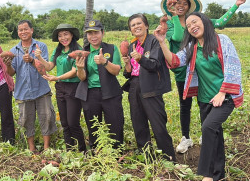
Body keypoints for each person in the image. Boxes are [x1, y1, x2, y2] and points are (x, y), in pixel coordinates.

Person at [154, 12, 243, 181]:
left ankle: (207, 175)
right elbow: (175, 61)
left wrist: (223, 92)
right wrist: (162, 42)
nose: (192, 26)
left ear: (204, 21)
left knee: (208, 128)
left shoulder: (221, 40)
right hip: (205, 99)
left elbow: (234, 65)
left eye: (195, 21)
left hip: (225, 97)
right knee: (214, 135)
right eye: (188, 25)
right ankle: (220, 179)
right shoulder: (192, 47)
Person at [160, 0, 246, 153]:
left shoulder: (199, 22)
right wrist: (172, 18)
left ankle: (205, 133)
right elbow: (178, 37)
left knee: (205, 103)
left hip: (202, 69)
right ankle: (186, 137)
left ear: (189, 8)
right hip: (183, 71)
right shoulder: (171, 25)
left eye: (185, 4)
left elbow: (221, 22)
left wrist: (236, 5)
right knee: (185, 105)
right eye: (177, 2)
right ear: (171, 5)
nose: (180, 5)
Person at [122, 14, 176, 162]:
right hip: (135, 86)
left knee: (158, 124)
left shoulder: (154, 41)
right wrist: (128, 63)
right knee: (138, 123)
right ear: (131, 30)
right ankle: (147, 157)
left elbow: (154, 64)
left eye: (139, 23)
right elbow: (129, 73)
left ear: (146, 25)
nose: (136, 26)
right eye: (133, 25)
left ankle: (169, 159)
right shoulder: (133, 45)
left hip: (151, 87)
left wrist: (140, 58)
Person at [2, 20, 57, 153]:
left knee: (47, 117)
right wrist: (8, 64)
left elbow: (44, 67)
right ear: (18, 33)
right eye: (20, 30)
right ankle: (31, 148)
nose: (23, 32)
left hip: (41, 89)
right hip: (23, 91)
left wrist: (32, 60)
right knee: (26, 120)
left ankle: (46, 147)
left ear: (32, 30)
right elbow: (11, 73)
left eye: (26, 29)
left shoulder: (40, 46)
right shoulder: (13, 50)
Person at [34, 24, 86, 152]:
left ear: (72, 35)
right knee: (64, 122)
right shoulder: (58, 51)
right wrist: (39, 57)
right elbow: (49, 66)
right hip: (61, 88)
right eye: (60, 35)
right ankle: (69, 150)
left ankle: (82, 150)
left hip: (73, 87)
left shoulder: (77, 51)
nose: (63, 38)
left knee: (73, 122)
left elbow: (74, 71)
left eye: (66, 34)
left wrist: (57, 78)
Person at [75, 20, 124, 150]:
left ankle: (117, 153)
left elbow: (116, 71)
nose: (93, 36)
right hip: (90, 93)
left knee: (115, 124)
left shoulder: (111, 48)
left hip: (110, 92)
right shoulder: (83, 52)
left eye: (96, 32)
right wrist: (80, 68)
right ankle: (96, 152)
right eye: (89, 33)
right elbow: (82, 77)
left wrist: (104, 62)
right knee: (93, 126)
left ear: (102, 33)